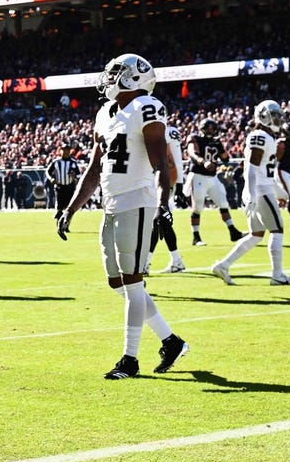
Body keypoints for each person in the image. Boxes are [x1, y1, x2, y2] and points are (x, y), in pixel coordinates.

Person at [56, 54, 188, 380]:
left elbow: (161, 163)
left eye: (117, 72)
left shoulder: (147, 106)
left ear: (133, 78)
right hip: (111, 204)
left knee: (132, 282)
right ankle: (170, 341)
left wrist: (164, 203)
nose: (110, 77)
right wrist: (70, 209)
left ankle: (130, 360)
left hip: (138, 201)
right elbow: (93, 169)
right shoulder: (105, 113)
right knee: (119, 283)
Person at [212, 101, 290, 286]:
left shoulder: (268, 137)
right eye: (274, 115)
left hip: (262, 188)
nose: (278, 119)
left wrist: (280, 192)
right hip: (260, 190)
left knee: (256, 234)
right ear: (263, 116)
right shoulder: (260, 135)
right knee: (277, 230)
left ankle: (223, 265)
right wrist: (251, 193)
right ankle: (277, 275)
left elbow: (263, 170)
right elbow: (252, 167)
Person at [184, 118, 245, 246]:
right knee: (198, 207)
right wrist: (203, 161)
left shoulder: (216, 142)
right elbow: (192, 153)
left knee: (223, 203)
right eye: (208, 128)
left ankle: (233, 232)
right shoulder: (195, 138)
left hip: (212, 177)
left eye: (213, 128)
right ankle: (196, 238)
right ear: (202, 128)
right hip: (198, 176)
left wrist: (221, 146)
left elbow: (225, 158)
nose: (211, 130)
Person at [152, 124, 186, 273]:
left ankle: (145, 264)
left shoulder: (168, 131)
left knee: (156, 220)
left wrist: (179, 186)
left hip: (163, 180)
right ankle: (176, 260)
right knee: (158, 222)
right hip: (151, 179)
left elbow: (176, 158)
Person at [46, 140, 80, 217]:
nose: (66, 152)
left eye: (67, 150)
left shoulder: (73, 162)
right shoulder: (56, 162)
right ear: (61, 151)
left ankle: (66, 226)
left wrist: (74, 177)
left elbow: (78, 175)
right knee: (59, 208)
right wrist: (51, 178)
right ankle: (59, 226)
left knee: (69, 208)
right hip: (59, 187)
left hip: (70, 187)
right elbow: (47, 171)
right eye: (64, 150)